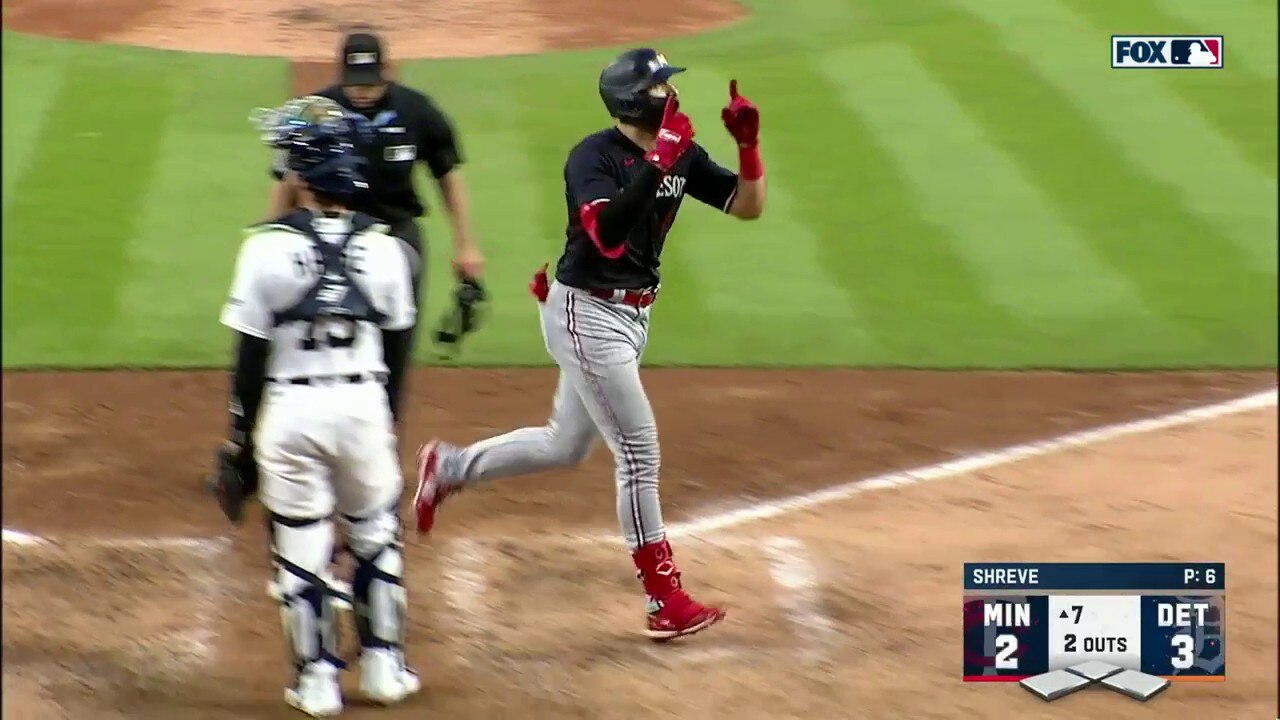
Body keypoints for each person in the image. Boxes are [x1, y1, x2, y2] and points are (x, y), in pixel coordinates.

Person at [411, 48, 767, 641]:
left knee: (565, 444)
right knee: (639, 452)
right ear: (633, 101)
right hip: (587, 314)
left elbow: (746, 206)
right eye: (659, 89)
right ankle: (664, 600)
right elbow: (606, 234)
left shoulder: (680, 151)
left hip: (632, 316)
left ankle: (447, 467)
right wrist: (658, 160)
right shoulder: (593, 158)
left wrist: (748, 147)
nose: (671, 96)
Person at [216, 112, 419, 715]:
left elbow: (248, 357)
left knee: (301, 548)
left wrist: (240, 438)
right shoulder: (389, 249)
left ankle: (317, 682)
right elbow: (398, 351)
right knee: (374, 535)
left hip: (291, 410)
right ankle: (383, 670)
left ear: (303, 176)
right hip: (363, 406)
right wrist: (386, 421)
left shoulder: (263, 248)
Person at [267, 29, 484, 379]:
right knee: (328, 338)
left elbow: (447, 174)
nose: (362, 92)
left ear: (385, 73)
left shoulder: (416, 111)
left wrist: (466, 244)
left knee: (396, 340)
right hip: (331, 237)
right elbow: (287, 179)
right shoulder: (317, 112)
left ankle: (386, 406)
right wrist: (271, 235)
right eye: (355, 83)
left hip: (396, 236)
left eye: (370, 83)